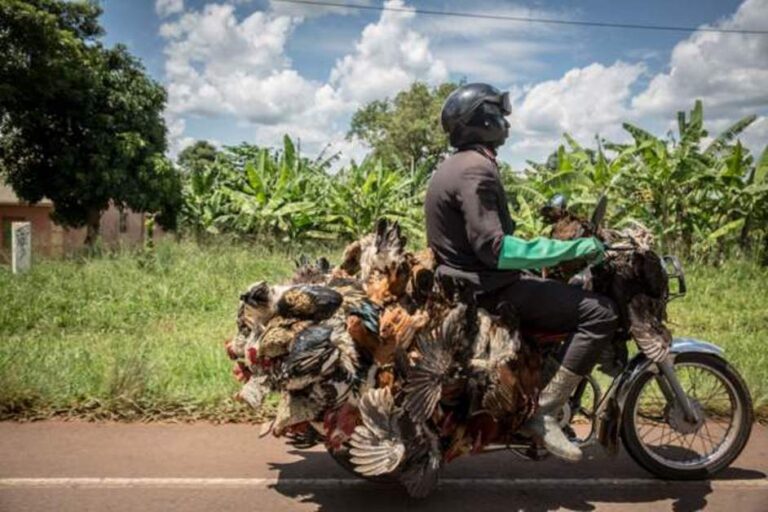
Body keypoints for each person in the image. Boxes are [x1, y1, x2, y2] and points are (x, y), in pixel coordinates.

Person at [425, 83, 619, 462]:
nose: (506, 122)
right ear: (482, 120)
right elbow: (492, 247)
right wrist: (571, 247)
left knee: (553, 288)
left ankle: (536, 382)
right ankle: (544, 411)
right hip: (488, 289)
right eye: (499, 114)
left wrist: (540, 259)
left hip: (471, 282)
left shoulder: (458, 165)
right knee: (601, 312)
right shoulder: (475, 170)